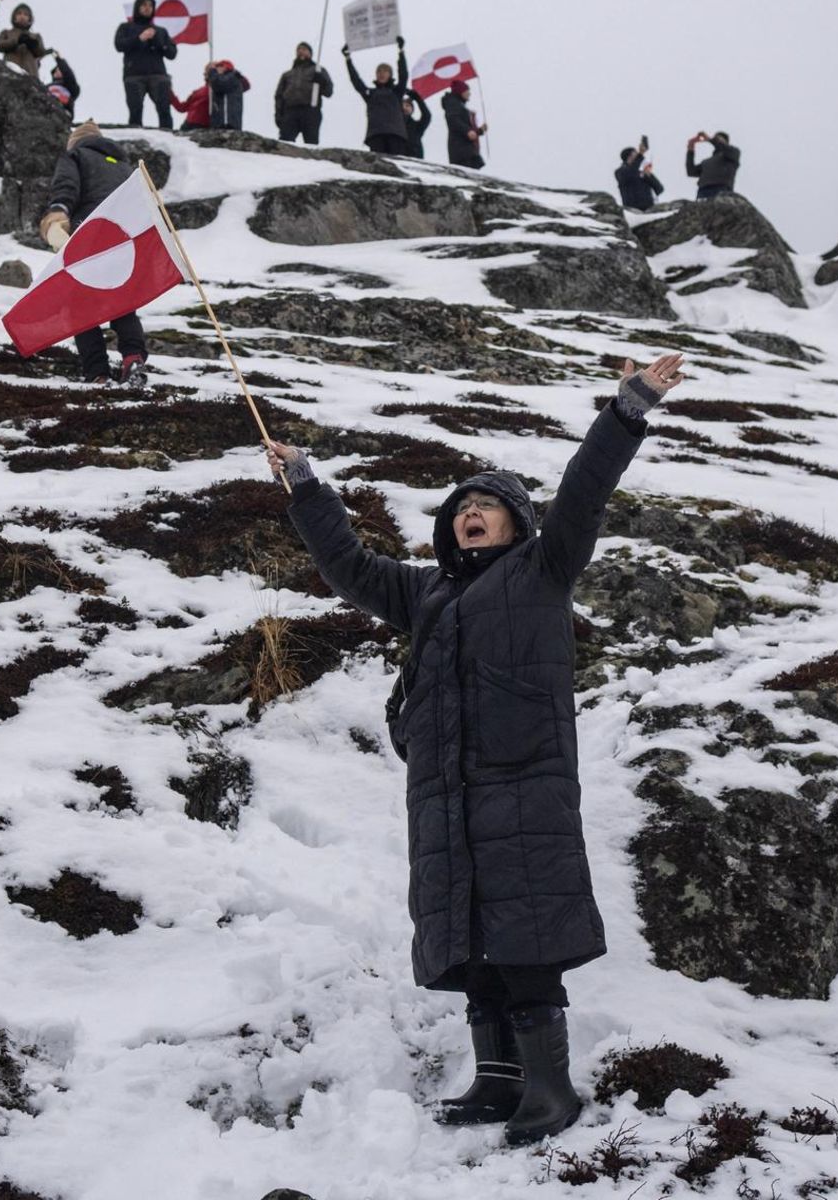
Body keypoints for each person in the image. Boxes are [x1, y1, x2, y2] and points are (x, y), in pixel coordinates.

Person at [267, 353, 686, 1146]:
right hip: (447, 789)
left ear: (517, 524)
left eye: (489, 505)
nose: (472, 512)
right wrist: (308, 487)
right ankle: (498, 1081)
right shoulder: (428, 590)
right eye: (463, 505)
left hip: (524, 782)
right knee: (473, 938)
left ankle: (552, 1090)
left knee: (526, 938)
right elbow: (350, 566)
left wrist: (627, 407)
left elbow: (587, 489)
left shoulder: (543, 568)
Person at [38, 119, 149, 385]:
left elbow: (67, 185)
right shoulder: (124, 166)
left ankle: (97, 372)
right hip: (123, 239)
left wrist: (58, 210)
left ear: (75, 141)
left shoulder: (75, 155)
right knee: (122, 302)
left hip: (88, 235)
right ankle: (132, 358)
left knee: (81, 305)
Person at [114, 0, 177, 128]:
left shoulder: (160, 31)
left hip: (158, 75)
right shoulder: (126, 27)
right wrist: (139, 38)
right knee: (135, 111)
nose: (147, 8)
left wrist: (159, 43)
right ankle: (135, 139)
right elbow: (119, 45)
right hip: (134, 75)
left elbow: (172, 53)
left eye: (150, 5)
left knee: (164, 109)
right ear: (137, 7)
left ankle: (169, 139)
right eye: (144, 5)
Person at [343, 37, 409, 155]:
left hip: (395, 134)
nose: (381, 74)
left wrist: (401, 52)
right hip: (376, 134)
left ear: (390, 74)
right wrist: (348, 59)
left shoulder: (397, 91)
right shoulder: (370, 93)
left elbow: (403, 75)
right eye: (379, 71)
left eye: (385, 71)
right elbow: (356, 81)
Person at [274, 41, 334, 145]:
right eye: (298, 49)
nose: (301, 51)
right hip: (290, 111)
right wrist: (278, 114)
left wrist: (321, 81)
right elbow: (279, 96)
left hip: (310, 111)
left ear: (310, 53)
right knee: (284, 143)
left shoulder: (318, 70)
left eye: (304, 49)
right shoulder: (287, 75)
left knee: (311, 144)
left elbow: (329, 92)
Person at [442, 80, 486, 168]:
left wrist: (480, 131)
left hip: (466, 149)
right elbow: (453, 120)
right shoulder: (453, 103)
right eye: (467, 91)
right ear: (460, 91)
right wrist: (468, 131)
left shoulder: (459, 104)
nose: (469, 93)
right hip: (461, 150)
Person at [684, 130, 740, 199]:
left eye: (718, 139)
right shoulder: (706, 162)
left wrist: (710, 139)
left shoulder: (733, 152)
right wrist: (690, 149)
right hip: (703, 190)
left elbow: (723, 147)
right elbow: (691, 171)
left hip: (722, 189)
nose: (716, 140)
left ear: (726, 142)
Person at [0, 3, 46, 77]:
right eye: (19, 13)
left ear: (30, 19)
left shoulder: (36, 36)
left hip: (31, 74)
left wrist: (33, 45)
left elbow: (41, 52)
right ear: (14, 17)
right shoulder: (6, 32)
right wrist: (16, 41)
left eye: (26, 14)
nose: (22, 16)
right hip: (10, 71)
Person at [615, 139, 663, 211]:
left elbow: (659, 189)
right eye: (635, 154)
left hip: (649, 208)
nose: (637, 156)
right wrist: (640, 154)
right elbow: (630, 173)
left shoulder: (641, 172)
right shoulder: (620, 171)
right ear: (629, 157)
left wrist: (649, 176)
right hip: (632, 210)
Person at [209, 59, 250, 131]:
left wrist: (212, 71)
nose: (216, 69)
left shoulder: (232, 76)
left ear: (224, 67)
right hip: (229, 122)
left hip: (227, 122)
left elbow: (219, 84)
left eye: (218, 67)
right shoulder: (233, 77)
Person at [171, 63, 213, 131]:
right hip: (188, 123)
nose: (205, 73)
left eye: (210, 71)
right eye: (206, 71)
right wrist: (170, 94)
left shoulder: (218, 91)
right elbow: (182, 107)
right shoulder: (197, 91)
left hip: (203, 125)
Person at [402, 88, 431, 159]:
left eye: (407, 106)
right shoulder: (394, 124)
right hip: (399, 158)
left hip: (416, 159)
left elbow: (427, 115)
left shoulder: (417, 126)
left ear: (412, 109)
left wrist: (417, 97)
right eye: (402, 105)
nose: (404, 108)